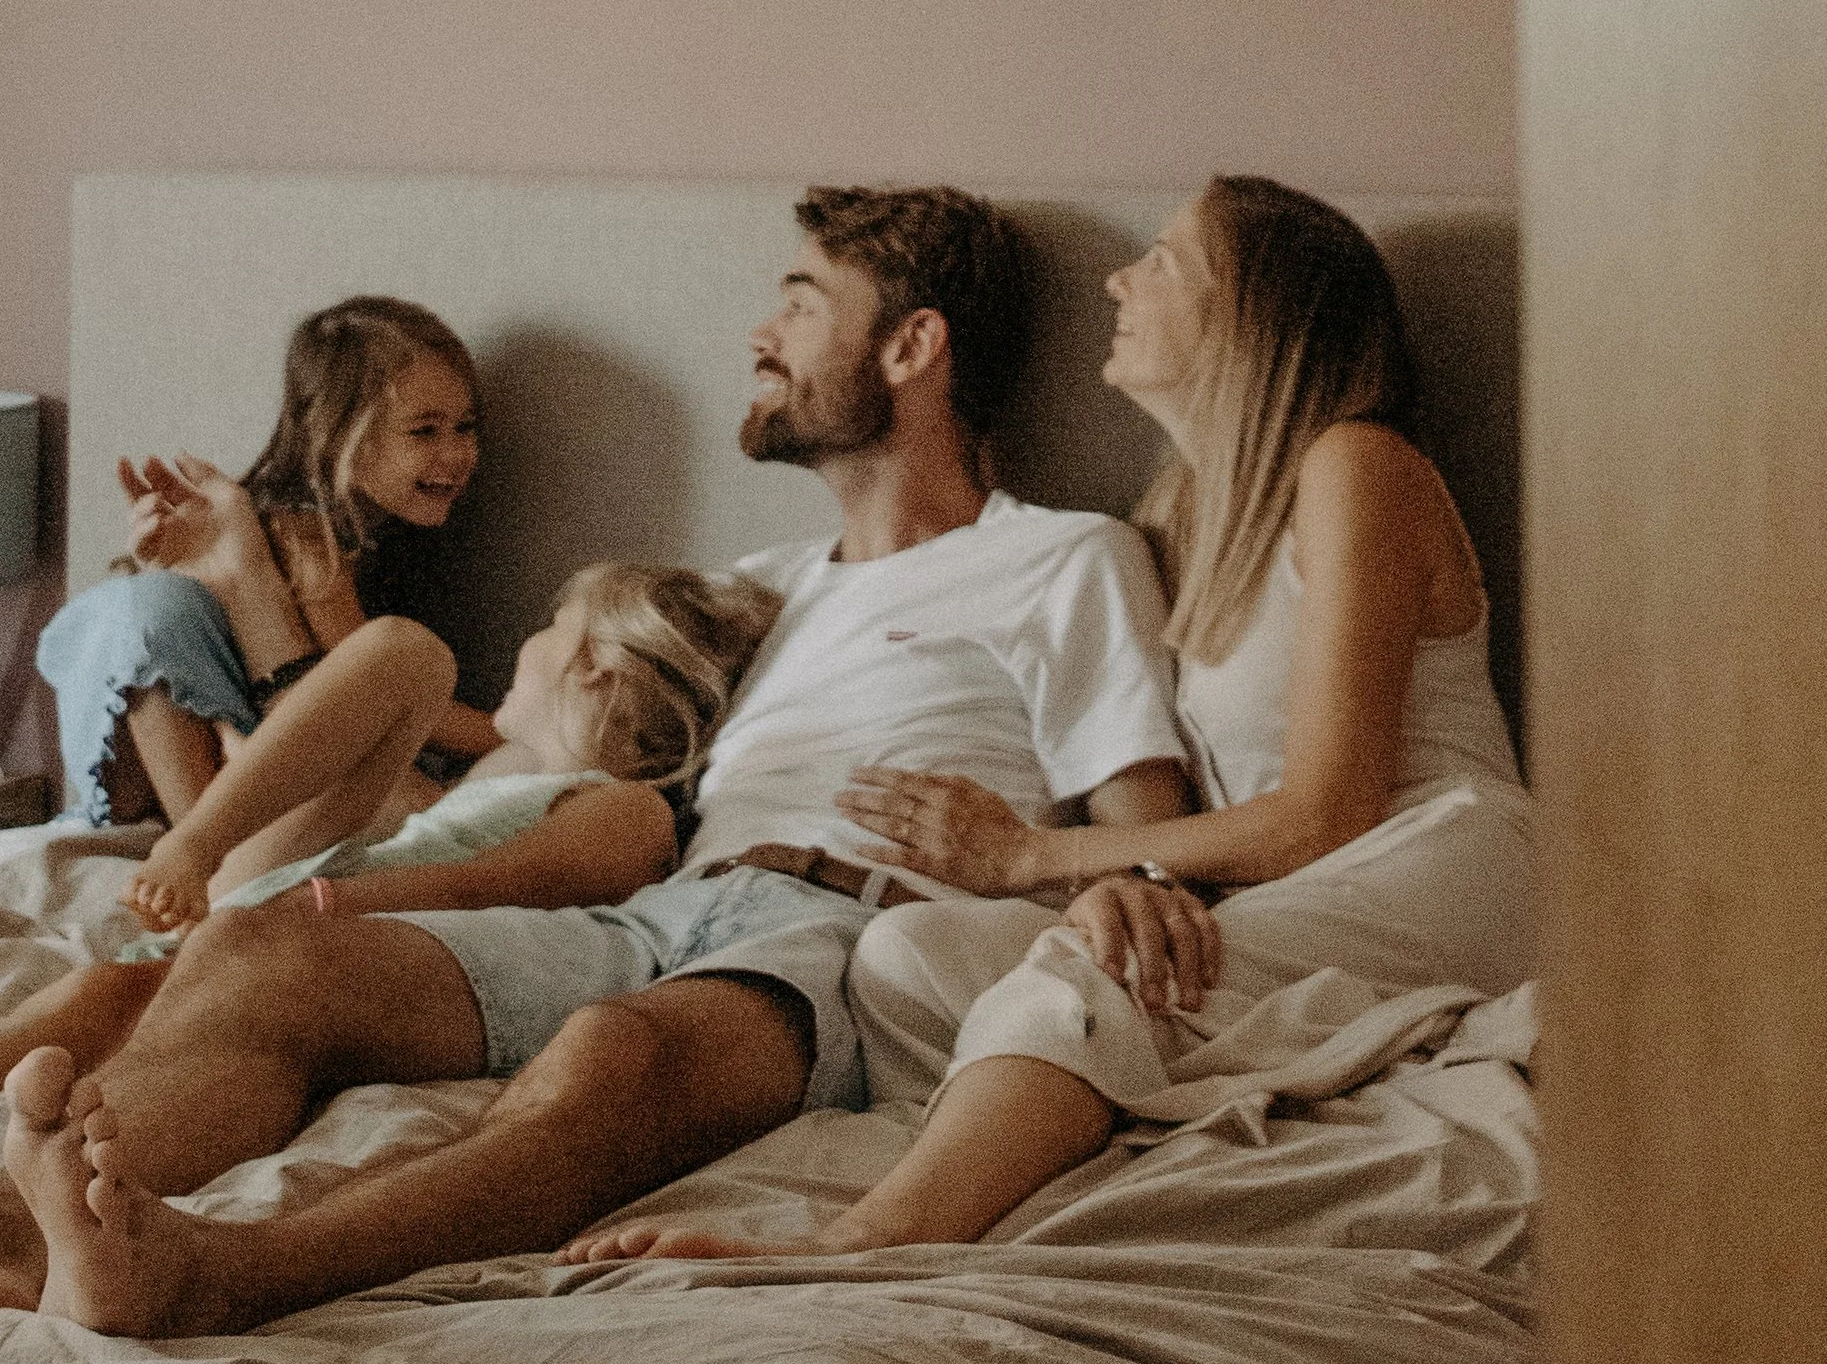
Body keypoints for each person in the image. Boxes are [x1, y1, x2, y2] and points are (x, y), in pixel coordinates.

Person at [0, 184, 1194, 1331]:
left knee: (611, 1065)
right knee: (249, 952)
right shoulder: (764, 591)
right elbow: (529, 742)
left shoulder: (1066, 560)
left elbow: (1145, 830)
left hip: (838, 935)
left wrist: (1079, 881)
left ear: (912, 347)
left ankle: (220, 1272)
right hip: (650, 896)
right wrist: (246, 586)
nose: (761, 335)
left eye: (799, 302)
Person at [567, 174, 1534, 1269]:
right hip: (1293, 882)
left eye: (1161, 261)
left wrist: (1037, 856)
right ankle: (1038, 1140)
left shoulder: (1356, 467)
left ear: (1251, 311)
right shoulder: (1184, 514)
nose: (1121, 280)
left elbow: (1328, 809)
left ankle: (861, 1237)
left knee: (1084, 967)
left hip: (1434, 858)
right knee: (904, 957)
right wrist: (1135, 891)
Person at [0, 560, 780, 1121]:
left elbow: (502, 883)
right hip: (311, 874)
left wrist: (333, 909)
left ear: (592, 666)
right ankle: (193, 839)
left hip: (335, 917)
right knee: (406, 654)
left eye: (549, 633)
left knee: (105, 1002)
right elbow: (359, 748)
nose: (525, 648)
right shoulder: (506, 764)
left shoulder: (627, 809)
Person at [34, 295, 498, 828]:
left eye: (465, 427)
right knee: (156, 609)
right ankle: (204, 843)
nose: (458, 454)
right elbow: (375, 684)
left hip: (240, 737)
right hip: (157, 759)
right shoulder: (306, 534)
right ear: (337, 435)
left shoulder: (381, 531)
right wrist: (512, 731)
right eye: (424, 431)